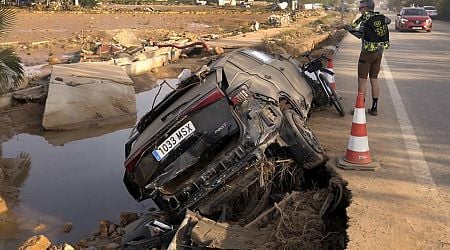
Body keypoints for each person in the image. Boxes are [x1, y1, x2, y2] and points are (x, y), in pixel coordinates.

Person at [336, 0, 390, 116]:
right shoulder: (381, 17)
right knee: (374, 79)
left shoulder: (365, 19)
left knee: (362, 81)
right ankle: (374, 108)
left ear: (365, 8)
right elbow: (388, 21)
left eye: (361, 7)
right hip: (379, 53)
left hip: (367, 54)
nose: (359, 9)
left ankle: (360, 109)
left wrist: (346, 27)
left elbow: (359, 34)